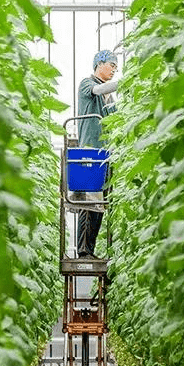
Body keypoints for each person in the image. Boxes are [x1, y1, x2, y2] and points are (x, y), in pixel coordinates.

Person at [76, 49, 119, 258]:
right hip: (89, 152)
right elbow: (97, 90)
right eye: (112, 65)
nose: (114, 70)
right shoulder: (86, 83)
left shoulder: (108, 96)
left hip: (104, 154)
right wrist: (124, 84)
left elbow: (115, 117)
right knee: (88, 202)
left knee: (98, 205)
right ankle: (83, 251)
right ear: (99, 63)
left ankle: (89, 249)